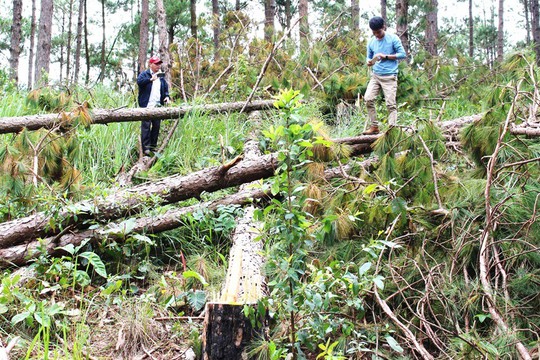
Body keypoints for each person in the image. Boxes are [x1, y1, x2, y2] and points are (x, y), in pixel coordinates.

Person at [363, 16, 406, 135]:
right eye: (374, 32)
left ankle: (391, 130)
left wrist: (385, 56)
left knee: (390, 104)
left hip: (390, 76)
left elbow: (402, 54)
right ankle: (374, 126)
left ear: (384, 27)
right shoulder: (371, 41)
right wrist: (369, 61)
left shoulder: (393, 38)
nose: (376, 34)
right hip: (376, 76)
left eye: (378, 32)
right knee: (368, 99)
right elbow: (369, 55)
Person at [137, 55, 170, 156]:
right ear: (150, 64)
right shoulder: (145, 74)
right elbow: (139, 82)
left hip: (157, 106)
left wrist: (167, 96)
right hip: (147, 105)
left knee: (156, 127)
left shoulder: (161, 76)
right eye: (156, 64)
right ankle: (146, 148)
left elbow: (165, 88)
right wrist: (150, 79)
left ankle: (153, 148)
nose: (158, 66)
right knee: (146, 127)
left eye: (159, 64)